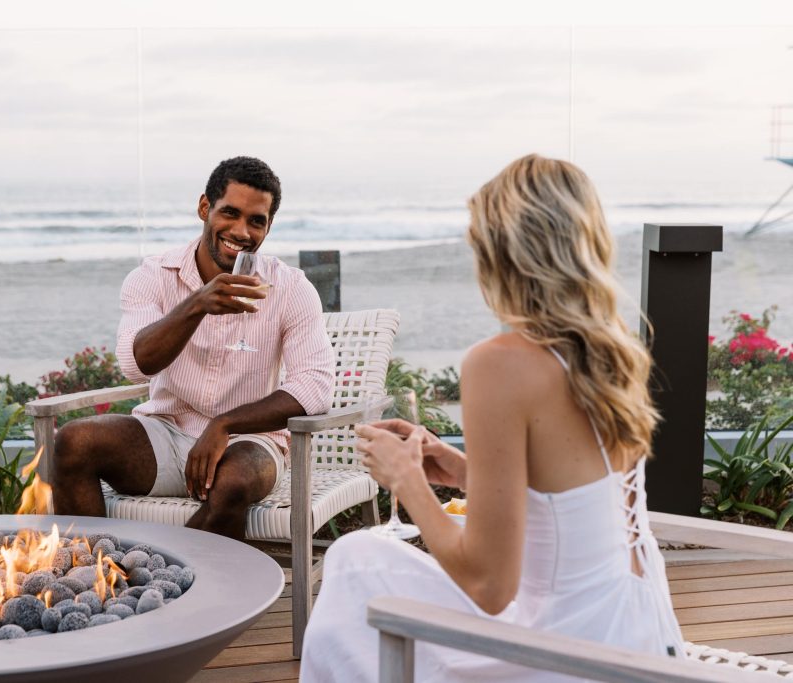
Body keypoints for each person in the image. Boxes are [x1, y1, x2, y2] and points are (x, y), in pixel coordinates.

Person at [300, 154, 685, 681]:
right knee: (359, 556)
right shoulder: (613, 351)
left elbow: (488, 585)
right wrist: (461, 470)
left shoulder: (499, 364)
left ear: (504, 255)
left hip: (568, 650)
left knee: (355, 562)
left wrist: (406, 479)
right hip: (641, 634)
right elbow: (574, 500)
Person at [52, 156, 335, 539]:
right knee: (74, 441)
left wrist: (225, 424)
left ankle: (171, 578)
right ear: (205, 207)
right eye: (230, 213)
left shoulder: (291, 288)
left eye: (257, 221)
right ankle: (95, 575)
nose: (241, 231)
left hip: (250, 442)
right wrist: (197, 304)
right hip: (164, 433)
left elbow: (315, 388)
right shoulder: (152, 277)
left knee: (233, 482)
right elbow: (135, 365)